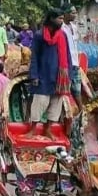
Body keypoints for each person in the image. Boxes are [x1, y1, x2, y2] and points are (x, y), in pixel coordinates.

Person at [28, 8, 72, 140]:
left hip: (60, 77)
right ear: (51, 19)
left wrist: (68, 75)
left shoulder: (63, 35)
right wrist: (34, 75)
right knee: (40, 102)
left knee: (56, 104)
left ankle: (48, 129)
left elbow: (68, 56)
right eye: (59, 18)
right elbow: (34, 56)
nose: (61, 21)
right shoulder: (39, 35)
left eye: (62, 19)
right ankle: (33, 129)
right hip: (43, 75)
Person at [61, 4, 83, 112]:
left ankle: (81, 113)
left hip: (75, 63)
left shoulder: (74, 27)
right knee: (66, 91)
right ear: (65, 14)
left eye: (75, 12)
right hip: (66, 64)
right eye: (72, 13)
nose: (75, 15)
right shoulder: (61, 28)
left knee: (77, 90)